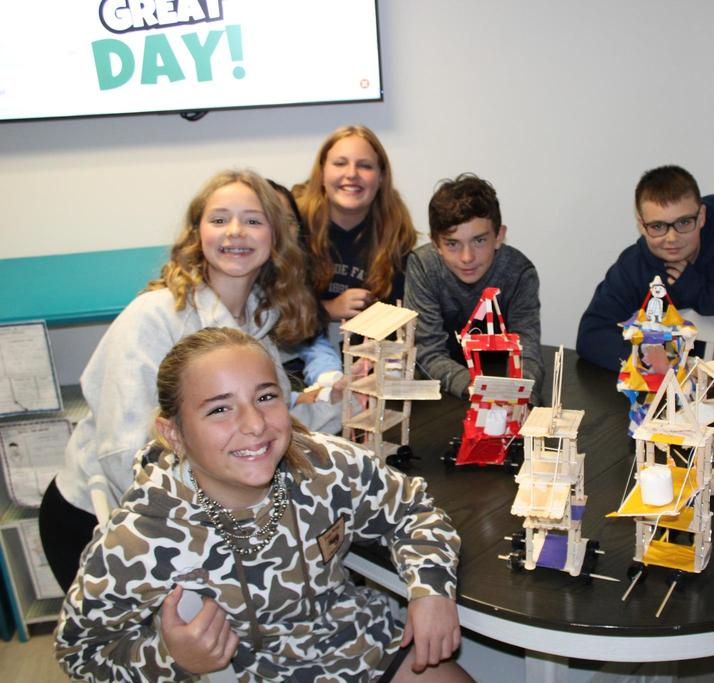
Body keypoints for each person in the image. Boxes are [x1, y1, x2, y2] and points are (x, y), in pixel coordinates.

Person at [54, 327, 471, 682]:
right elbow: (80, 652)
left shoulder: (326, 466)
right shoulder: (143, 536)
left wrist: (431, 590)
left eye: (266, 397)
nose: (254, 425)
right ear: (174, 433)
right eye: (220, 409)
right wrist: (171, 657)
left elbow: (413, 511)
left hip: (355, 647)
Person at [38, 170, 343, 592]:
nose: (235, 231)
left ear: (275, 236)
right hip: (104, 522)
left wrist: (337, 403)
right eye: (219, 219)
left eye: (252, 220)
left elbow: (263, 426)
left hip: (197, 520)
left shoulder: (258, 318)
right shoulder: (154, 316)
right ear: (197, 234)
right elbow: (124, 456)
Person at [576, 165, 714, 370]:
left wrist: (700, 292)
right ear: (641, 225)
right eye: (657, 226)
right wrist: (652, 362)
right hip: (658, 384)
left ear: (701, 216)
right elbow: (591, 335)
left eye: (684, 222)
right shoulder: (633, 265)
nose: (672, 238)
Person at [404, 173, 543, 403]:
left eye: (479, 241)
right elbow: (427, 351)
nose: (467, 257)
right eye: (452, 243)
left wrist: (521, 396)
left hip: (503, 378)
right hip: (446, 388)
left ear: (499, 236)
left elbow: (526, 348)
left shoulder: (519, 272)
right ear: (436, 244)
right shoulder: (423, 267)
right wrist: (482, 391)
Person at [294, 125, 417, 322]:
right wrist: (327, 310)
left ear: (381, 177)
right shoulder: (293, 226)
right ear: (322, 173)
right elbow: (272, 306)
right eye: (340, 163)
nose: (352, 174)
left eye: (365, 166)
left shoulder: (397, 235)